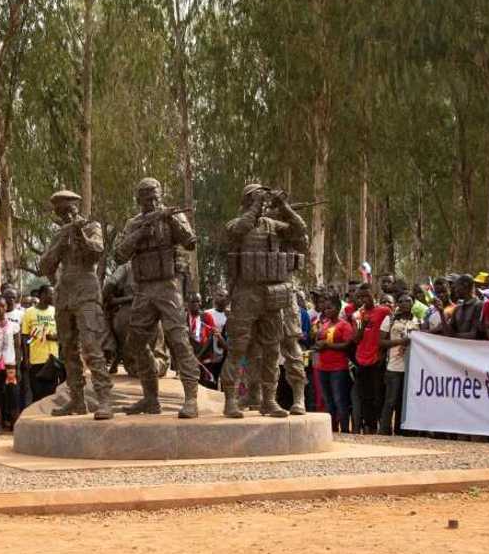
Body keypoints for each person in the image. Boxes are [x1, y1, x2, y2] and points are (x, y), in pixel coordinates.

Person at [113, 178, 202, 418]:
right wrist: (142, 231)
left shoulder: (170, 216)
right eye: (147, 199)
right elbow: (119, 254)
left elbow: (190, 242)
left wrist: (171, 219)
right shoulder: (133, 223)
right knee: (135, 343)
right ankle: (150, 398)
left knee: (179, 340)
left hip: (168, 286)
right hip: (142, 290)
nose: (152, 202)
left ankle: (191, 399)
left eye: (156, 197)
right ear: (138, 200)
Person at [219, 183, 309, 418]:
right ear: (247, 200)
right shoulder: (235, 224)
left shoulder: (272, 225)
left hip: (271, 294)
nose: (263, 200)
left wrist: (284, 206)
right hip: (246, 293)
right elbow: (241, 229)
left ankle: (269, 400)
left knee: (271, 349)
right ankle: (230, 400)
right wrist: (258, 204)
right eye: (257, 197)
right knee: (238, 348)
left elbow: (299, 229)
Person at [38, 190, 114, 420]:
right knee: (68, 349)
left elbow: (96, 253)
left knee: (92, 347)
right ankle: (77, 400)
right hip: (65, 294)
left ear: (76, 208)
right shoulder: (59, 234)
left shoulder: (92, 226)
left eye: (67, 210)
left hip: (87, 291)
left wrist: (78, 231)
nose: (64, 215)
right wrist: (62, 239)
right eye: (60, 211)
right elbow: (45, 266)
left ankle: (104, 400)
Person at [351, 284, 391, 433]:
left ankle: (382, 425)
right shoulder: (357, 315)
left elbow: (389, 330)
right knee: (365, 396)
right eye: (360, 297)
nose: (363, 300)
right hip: (361, 360)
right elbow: (356, 339)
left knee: (378, 395)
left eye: (366, 296)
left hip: (377, 359)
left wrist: (382, 352)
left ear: (373, 294)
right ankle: (370, 426)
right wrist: (362, 324)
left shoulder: (384, 311)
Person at [378, 293, 418, 435]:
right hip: (393, 366)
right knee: (390, 400)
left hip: (411, 367)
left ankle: (401, 430)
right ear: (397, 304)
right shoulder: (389, 320)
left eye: (408, 300)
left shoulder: (417, 321)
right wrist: (400, 342)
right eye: (401, 301)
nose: (405, 303)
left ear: (413, 303)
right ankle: (384, 430)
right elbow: (381, 342)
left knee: (403, 401)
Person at [314, 295, 354, 433]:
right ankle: (333, 429)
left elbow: (347, 345)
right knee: (328, 401)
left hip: (338, 368)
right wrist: (319, 344)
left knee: (339, 400)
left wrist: (328, 345)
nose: (326, 311)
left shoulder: (344, 325)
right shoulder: (324, 325)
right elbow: (319, 341)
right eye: (325, 309)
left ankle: (344, 429)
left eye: (330, 308)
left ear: (337, 309)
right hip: (322, 367)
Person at [20, 284, 60, 404]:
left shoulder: (55, 311)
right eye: (50, 294)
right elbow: (25, 337)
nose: (53, 296)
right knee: (37, 393)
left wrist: (53, 337)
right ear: (42, 295)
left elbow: (63, 334)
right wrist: (26, 359)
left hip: (52, 360)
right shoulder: (29, 312)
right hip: (35, 360)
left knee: (51, 393)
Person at [0, 295, 19, 433]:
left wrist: (17, 363)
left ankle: (15, 424)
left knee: (12, 394)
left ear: (6, 307)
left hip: (10, 365)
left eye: (3, 306)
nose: (0, 309)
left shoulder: (13, 325)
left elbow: (18, 346)